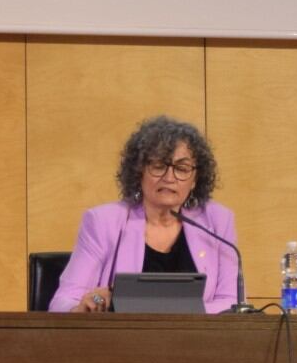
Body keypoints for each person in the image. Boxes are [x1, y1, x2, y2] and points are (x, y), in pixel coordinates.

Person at [50, 115, 239, 315]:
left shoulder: (217, 221)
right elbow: (61, 302)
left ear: (194, 180)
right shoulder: (103, 222)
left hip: (195, 342)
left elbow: (231, 301)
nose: (169, 178)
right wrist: (85, 305)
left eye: (182, 169)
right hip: (122, 342)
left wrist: (171, 313)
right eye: (158, 166)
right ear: (139, 171)